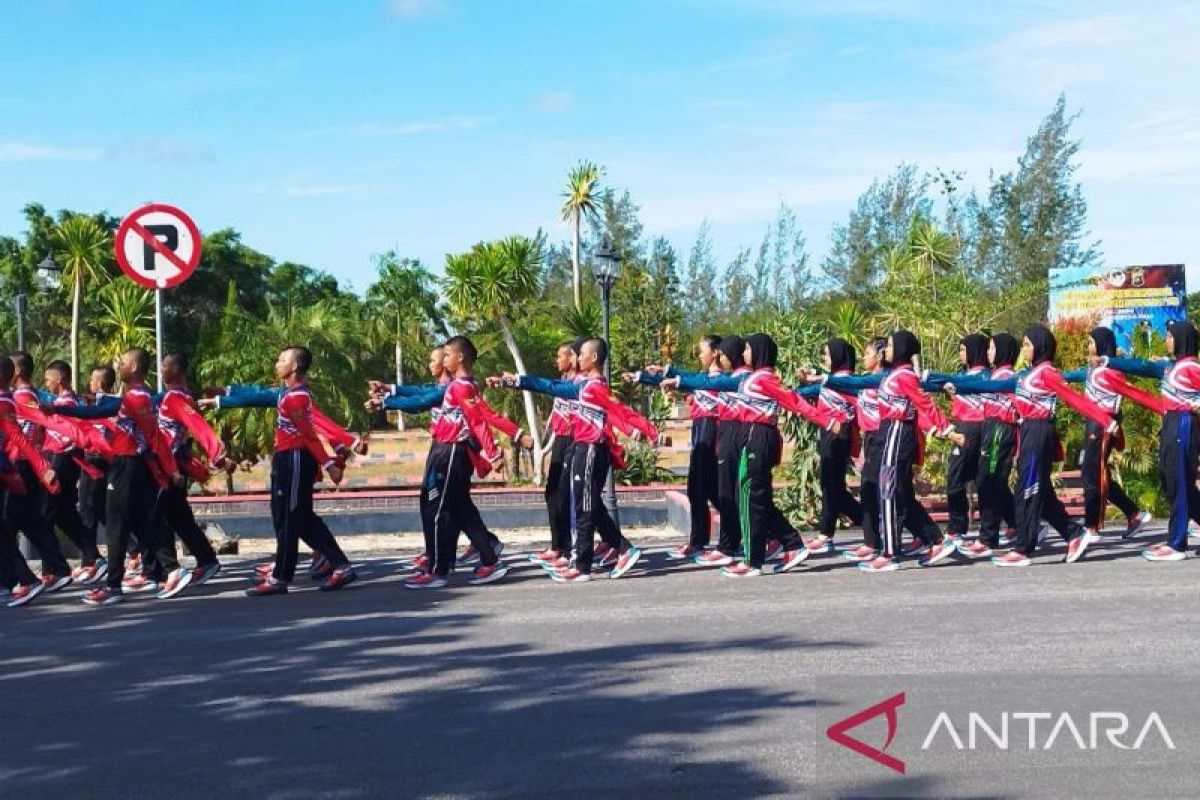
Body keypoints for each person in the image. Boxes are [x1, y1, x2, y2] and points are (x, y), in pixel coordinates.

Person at [953, 326, 1117, 568]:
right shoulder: (1027, 374)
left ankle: (1023, 548)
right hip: (1028, 431)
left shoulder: (1048, 373)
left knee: (1026, 490)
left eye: (1029, 344)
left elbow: (1075, 400)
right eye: (1025, 344)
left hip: (1040, 431)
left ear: (1040, 346)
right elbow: (995, 388)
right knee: (1043, 493)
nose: (1025, 349)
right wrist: (957, 387)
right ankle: (1074, 534)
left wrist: (1106, 421)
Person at [504, 338, 659, 582]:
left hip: (590, 450)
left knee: (584, 507)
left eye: (582, 354)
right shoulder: (584, 386)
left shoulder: (595, 387)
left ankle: (583, 565)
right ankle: (618, 548)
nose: (578, 358)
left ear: (594, 358)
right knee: (586, 504)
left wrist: (648, 432)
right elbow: (552, 386)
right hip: (580, 448)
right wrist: (520, 381)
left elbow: (622, 412)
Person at [235, 346, 357, 596]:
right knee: (294, 517)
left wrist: (329, 465)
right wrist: (223, 395)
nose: (277, 364)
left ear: (294, 367)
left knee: (292, 517)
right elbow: (256, 395)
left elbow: (309, 436)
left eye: (282, 360)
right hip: (286, 459)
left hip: (295, 459)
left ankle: (282, 576)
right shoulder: (288, 394)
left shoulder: (296, 397)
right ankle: (336, 564)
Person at [401, 336, 512, 589]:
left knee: (437, 509)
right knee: (461, 509)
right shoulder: (459, 386)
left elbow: (478, 421)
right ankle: (490, 559)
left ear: (460, 358)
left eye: (448, 354)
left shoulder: (462, 387)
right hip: (445, 449)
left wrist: (492, 453)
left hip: (452, 452)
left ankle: (438, 570)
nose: (444, 358)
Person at [76, 349, 185, 605]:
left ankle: (113, 585)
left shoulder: (137, 397)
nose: (119, 367)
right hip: (129, 465)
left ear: (134, 366)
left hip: (129, 465)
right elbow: (100, 412)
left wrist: (172, 469)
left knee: (116, 524)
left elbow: (155, 436)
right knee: (142, 522)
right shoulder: (134, 396)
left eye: (123, 363)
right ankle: (171, 569)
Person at [858, 331, 964, 573]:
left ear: (903, 349)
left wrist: (947, 430)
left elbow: (925, 404)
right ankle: (934, 540)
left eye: (892, 345)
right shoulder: (893, 374)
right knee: (899, 492)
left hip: (897, 431)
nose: (887, 350)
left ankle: (890, 553)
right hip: (888, 430)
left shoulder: (905, 376)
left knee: (888, 490)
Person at [1099, 321, 1200, 561]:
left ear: (1182, 339)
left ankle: (1176, 544)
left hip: (1184, 423)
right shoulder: (1169, 367)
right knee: (1170, 480)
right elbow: (1142, 367)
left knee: (1179, 483)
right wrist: (1109, 361)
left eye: (1169, 336)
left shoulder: (1191, 368)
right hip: (1170, 423)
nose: (1166, 340)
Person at [624, 334, 723, 559]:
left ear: (715, 353)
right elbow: (685, 379)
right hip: (700, 429)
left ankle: (722, 540)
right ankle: (701, 540)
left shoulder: (718, 379)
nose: (699, 355)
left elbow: (686, 380)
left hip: (711, 431)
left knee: (708, 489)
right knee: (699, 489)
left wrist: (668, 372)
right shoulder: (703, 377)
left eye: (703, 350)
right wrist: (643, 377)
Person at [1071, 327, 1155, 539]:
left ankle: (1092, 526)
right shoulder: (1094, 370)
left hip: (1103, 424)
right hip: (1093, 423)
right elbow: (1075, 375)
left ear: (1101, 344)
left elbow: (1121, 398)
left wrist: (1111, 424)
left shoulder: (1111, 371)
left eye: (1091, 342)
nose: (1088, 347)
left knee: (1094, 474)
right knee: (1095, 473)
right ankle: (1133, 514)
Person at [8, 352, 72, 591]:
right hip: (26, 463)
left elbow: (19, 434)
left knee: (13, 523)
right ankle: (54, 567)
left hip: (19, 463)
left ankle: (21, 577)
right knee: (29, 521)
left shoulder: (22, 396)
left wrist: (42, 465)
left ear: (16, 372)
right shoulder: (28, 395)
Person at [0, 356, 61, 608]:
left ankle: (25, 580)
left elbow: (18, 438)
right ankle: (9, 580)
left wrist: (43, 466)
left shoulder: (4, 402)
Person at [809, 338, 863, 554]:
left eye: (827, 354)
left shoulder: (846, 381)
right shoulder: (830, 380)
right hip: (828, 432)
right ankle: (866, 519)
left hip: (839, 434)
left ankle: (826, 534)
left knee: (831, 486)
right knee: (833, 486)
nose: (824, 359)